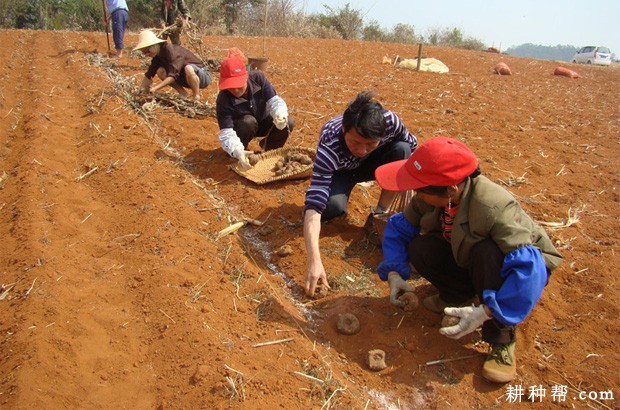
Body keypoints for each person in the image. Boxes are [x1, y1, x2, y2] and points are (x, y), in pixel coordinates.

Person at [374, 136, 563, 383]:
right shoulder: (430, 198)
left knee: (487, 252)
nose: (416, 194)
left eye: (420, 188)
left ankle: (502, 339)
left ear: (451, 189)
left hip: (512, 269)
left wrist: (485, 312)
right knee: (421, 246)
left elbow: (529, 268)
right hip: (465, 256)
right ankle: (457, 296)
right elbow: (399, 229)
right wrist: (394, 273)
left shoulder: (493, 207)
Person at [303, 90, 417, 297]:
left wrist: (409, 179)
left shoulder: (391, 122)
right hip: (343, 171)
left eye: (370, 144)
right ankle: (341, 194)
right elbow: (314, 203)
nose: (362, 150)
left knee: (402, 150)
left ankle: (379, 214)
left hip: (374, 165)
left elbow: (412, 146)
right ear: (344, 130)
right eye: (355, 142)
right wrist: (314, 261)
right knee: (332, 208)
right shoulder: (330, 141)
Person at [215, 56, 294, 170]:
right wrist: (237, 151)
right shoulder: (223, 99)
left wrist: (279, 114)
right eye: (231, 86)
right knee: (248, 122)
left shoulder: (258, 78)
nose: (236, 90)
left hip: (263, 120)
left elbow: (274, 100)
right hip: (243, 128)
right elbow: (226, 132)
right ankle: (242, 153)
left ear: (246, 76)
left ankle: (269, 150)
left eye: (238, 84)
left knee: (288, 122)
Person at [133, 30, 211, 101]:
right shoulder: (157, 56)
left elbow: (173, 76)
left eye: (147, 51)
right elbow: (149, 75)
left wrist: (155, 88)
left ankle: (196, 97)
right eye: (144, 53)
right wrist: (140, 90)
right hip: (185, 78)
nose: (147, 54)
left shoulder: (172, 51)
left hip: (202, 77)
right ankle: (183, 94)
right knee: (160, 71)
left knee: (188, 68)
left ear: (154, 45)